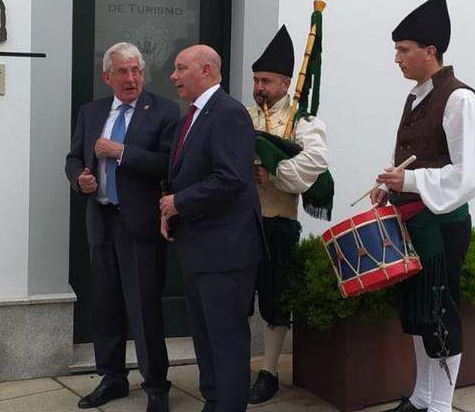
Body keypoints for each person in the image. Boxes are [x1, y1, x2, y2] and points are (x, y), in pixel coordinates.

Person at [371, 0, 475, 412]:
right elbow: (418, 161)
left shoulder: (460, 99)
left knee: (440, 313)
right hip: (414, 221)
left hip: (441, 225)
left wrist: (412, 179)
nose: (397, 59)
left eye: (404, 50)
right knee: (420, 313)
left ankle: (440, 406)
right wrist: (392, 185)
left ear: (430, 50)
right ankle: (422, 398)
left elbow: (471, 172)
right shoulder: (416, 96)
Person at [65, 42, 180, 412]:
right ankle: (112, 377)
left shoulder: (163, 111)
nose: (131, 79)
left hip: (140, 225)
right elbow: (73, 158)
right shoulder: (91, 111)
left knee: (144, 307)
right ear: (107, 76)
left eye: (137, 71)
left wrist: (122, 152)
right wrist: (79, 179)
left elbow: (168, 165)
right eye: (123, 72)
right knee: (106, 305)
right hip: (101, 220)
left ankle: (156, 387)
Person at [160, 44, 264, 412]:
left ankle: (229, 405)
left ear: (206, 71)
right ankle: (214, 399)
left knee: (226, 338)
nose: (173, 76)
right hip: (198, 247)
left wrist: (180, 203)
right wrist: (169, 207)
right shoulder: (193, 116)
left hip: (226, 250)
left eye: (180, 68)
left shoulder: (228, 113)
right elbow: (187, 172)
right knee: (204, 336)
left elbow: (231, 178)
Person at [246, 25, 330, 404]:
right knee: (236, 298)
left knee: (276, 301)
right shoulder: (243, 116)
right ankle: (234, 365)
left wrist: (275, 172)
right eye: (255, 80)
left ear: (284, 82)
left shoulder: (303, 121)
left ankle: (269, 371)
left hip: (278, 223)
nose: (259, 87)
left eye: (266, 80)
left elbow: (315, 163)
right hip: (240, 223)